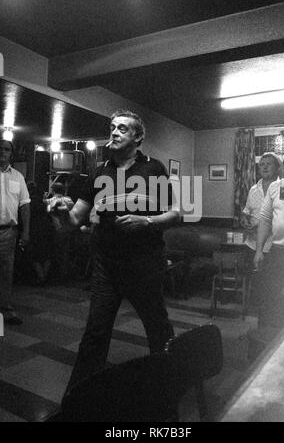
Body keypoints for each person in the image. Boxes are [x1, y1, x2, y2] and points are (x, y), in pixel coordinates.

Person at [61, 109, 180, 399]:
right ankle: (77, 398)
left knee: (157, 327)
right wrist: (61, 212)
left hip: (144, 264)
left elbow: (176, 213)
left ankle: (169, 388)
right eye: (112, 127)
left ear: (137, 137)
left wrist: (147, 221)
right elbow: (76, 218)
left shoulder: (154, 169)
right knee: (95, 332)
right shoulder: (100, 170)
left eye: (122, 129)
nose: (113, 132)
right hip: (107, 266)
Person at [254, 140, 284, 327]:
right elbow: (264, 219)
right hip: (277, 251)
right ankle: (267, 344)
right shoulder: (275, 186)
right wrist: (258, 250)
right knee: (272, 301)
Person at [0, 138, 30, 325]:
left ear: (11, 153)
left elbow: (25, 205)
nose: (2, 151)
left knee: (6, 272)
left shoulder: (17, 176)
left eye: (6, 149)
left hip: (8, 232)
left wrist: (26, 232)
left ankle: (5, 310)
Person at [241, 152, 282, 256]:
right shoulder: (253, 190)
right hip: (251, 245)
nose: (265, 167)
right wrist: (245, 221)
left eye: (269, 164)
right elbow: (247, 212)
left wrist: (262, 228)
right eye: (262, 164)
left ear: (277, 168)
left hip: (274, 249)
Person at [26, 181, 55, 286]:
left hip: (34, 231)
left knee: (34, 256)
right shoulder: (44, 203)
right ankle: (44, 276)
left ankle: (41, 276)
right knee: (46, 255)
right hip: (46, 231)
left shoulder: (28, 204)